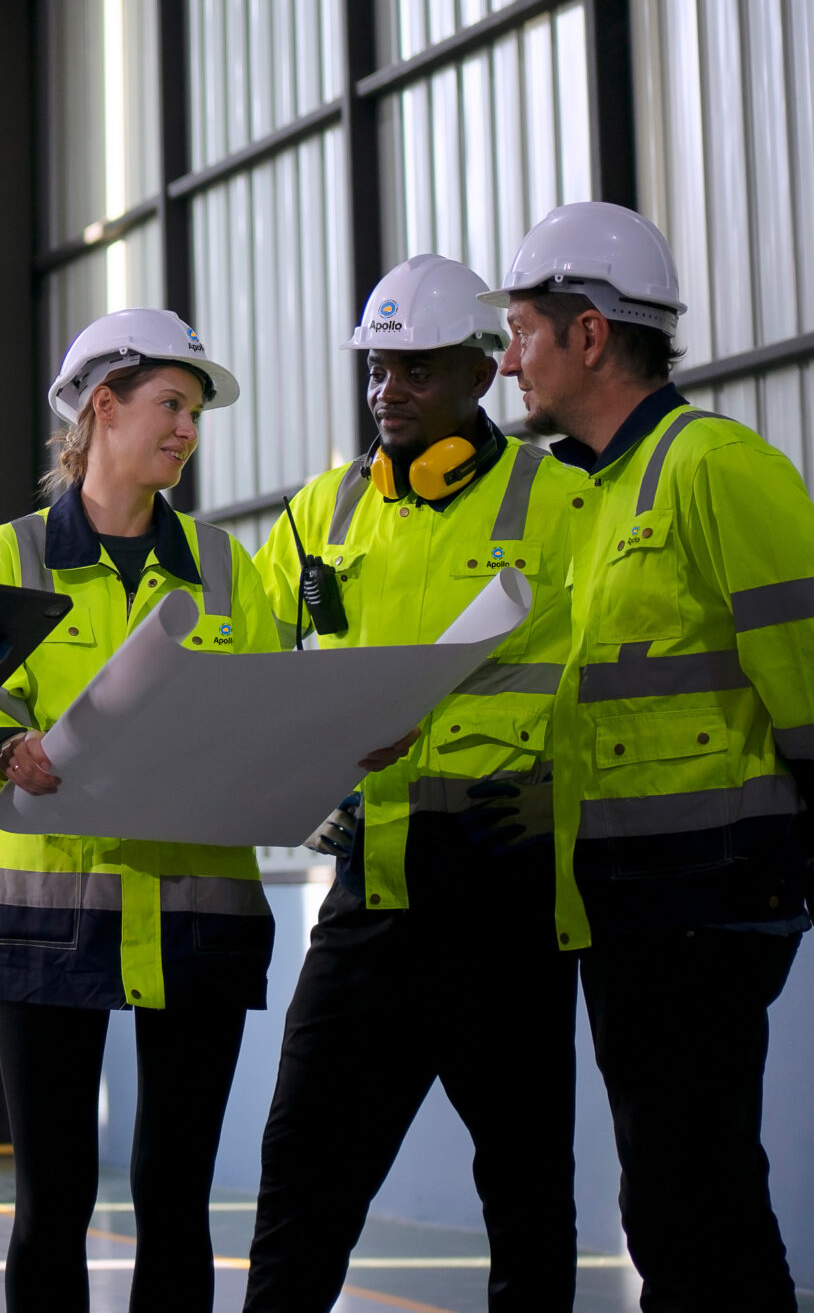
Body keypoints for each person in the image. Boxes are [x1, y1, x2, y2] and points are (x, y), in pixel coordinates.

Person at [486, 200, 814, 1311]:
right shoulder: (596, 494)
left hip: (703, 903)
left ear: (588, 335)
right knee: (678, 1198)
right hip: (631, 902)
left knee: (692, 1199)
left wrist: (808, 838)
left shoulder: (711, 467)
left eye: (522, 331)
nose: (507, 361)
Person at [239, 255, 589, 1313]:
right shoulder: (316, 517)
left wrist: (568, 805)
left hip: (508, 896)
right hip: (369, 895)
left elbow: (613, 680)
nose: (386, 391)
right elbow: (256, 677)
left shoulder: (564, 501)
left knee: (528, 1198)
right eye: (376, 370)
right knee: (298, 1188)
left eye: (414, 372)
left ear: (481, 374)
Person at [0, 310, 282, 1313]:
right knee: (51, 1199)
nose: (186, 430)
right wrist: (4, 753)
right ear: (103, 406)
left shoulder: (227, 570)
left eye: (194, 413)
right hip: (44, 915)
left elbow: (269, 719)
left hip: (198, 918)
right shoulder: (5, 562)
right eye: (170, 405)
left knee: (175, 1199)